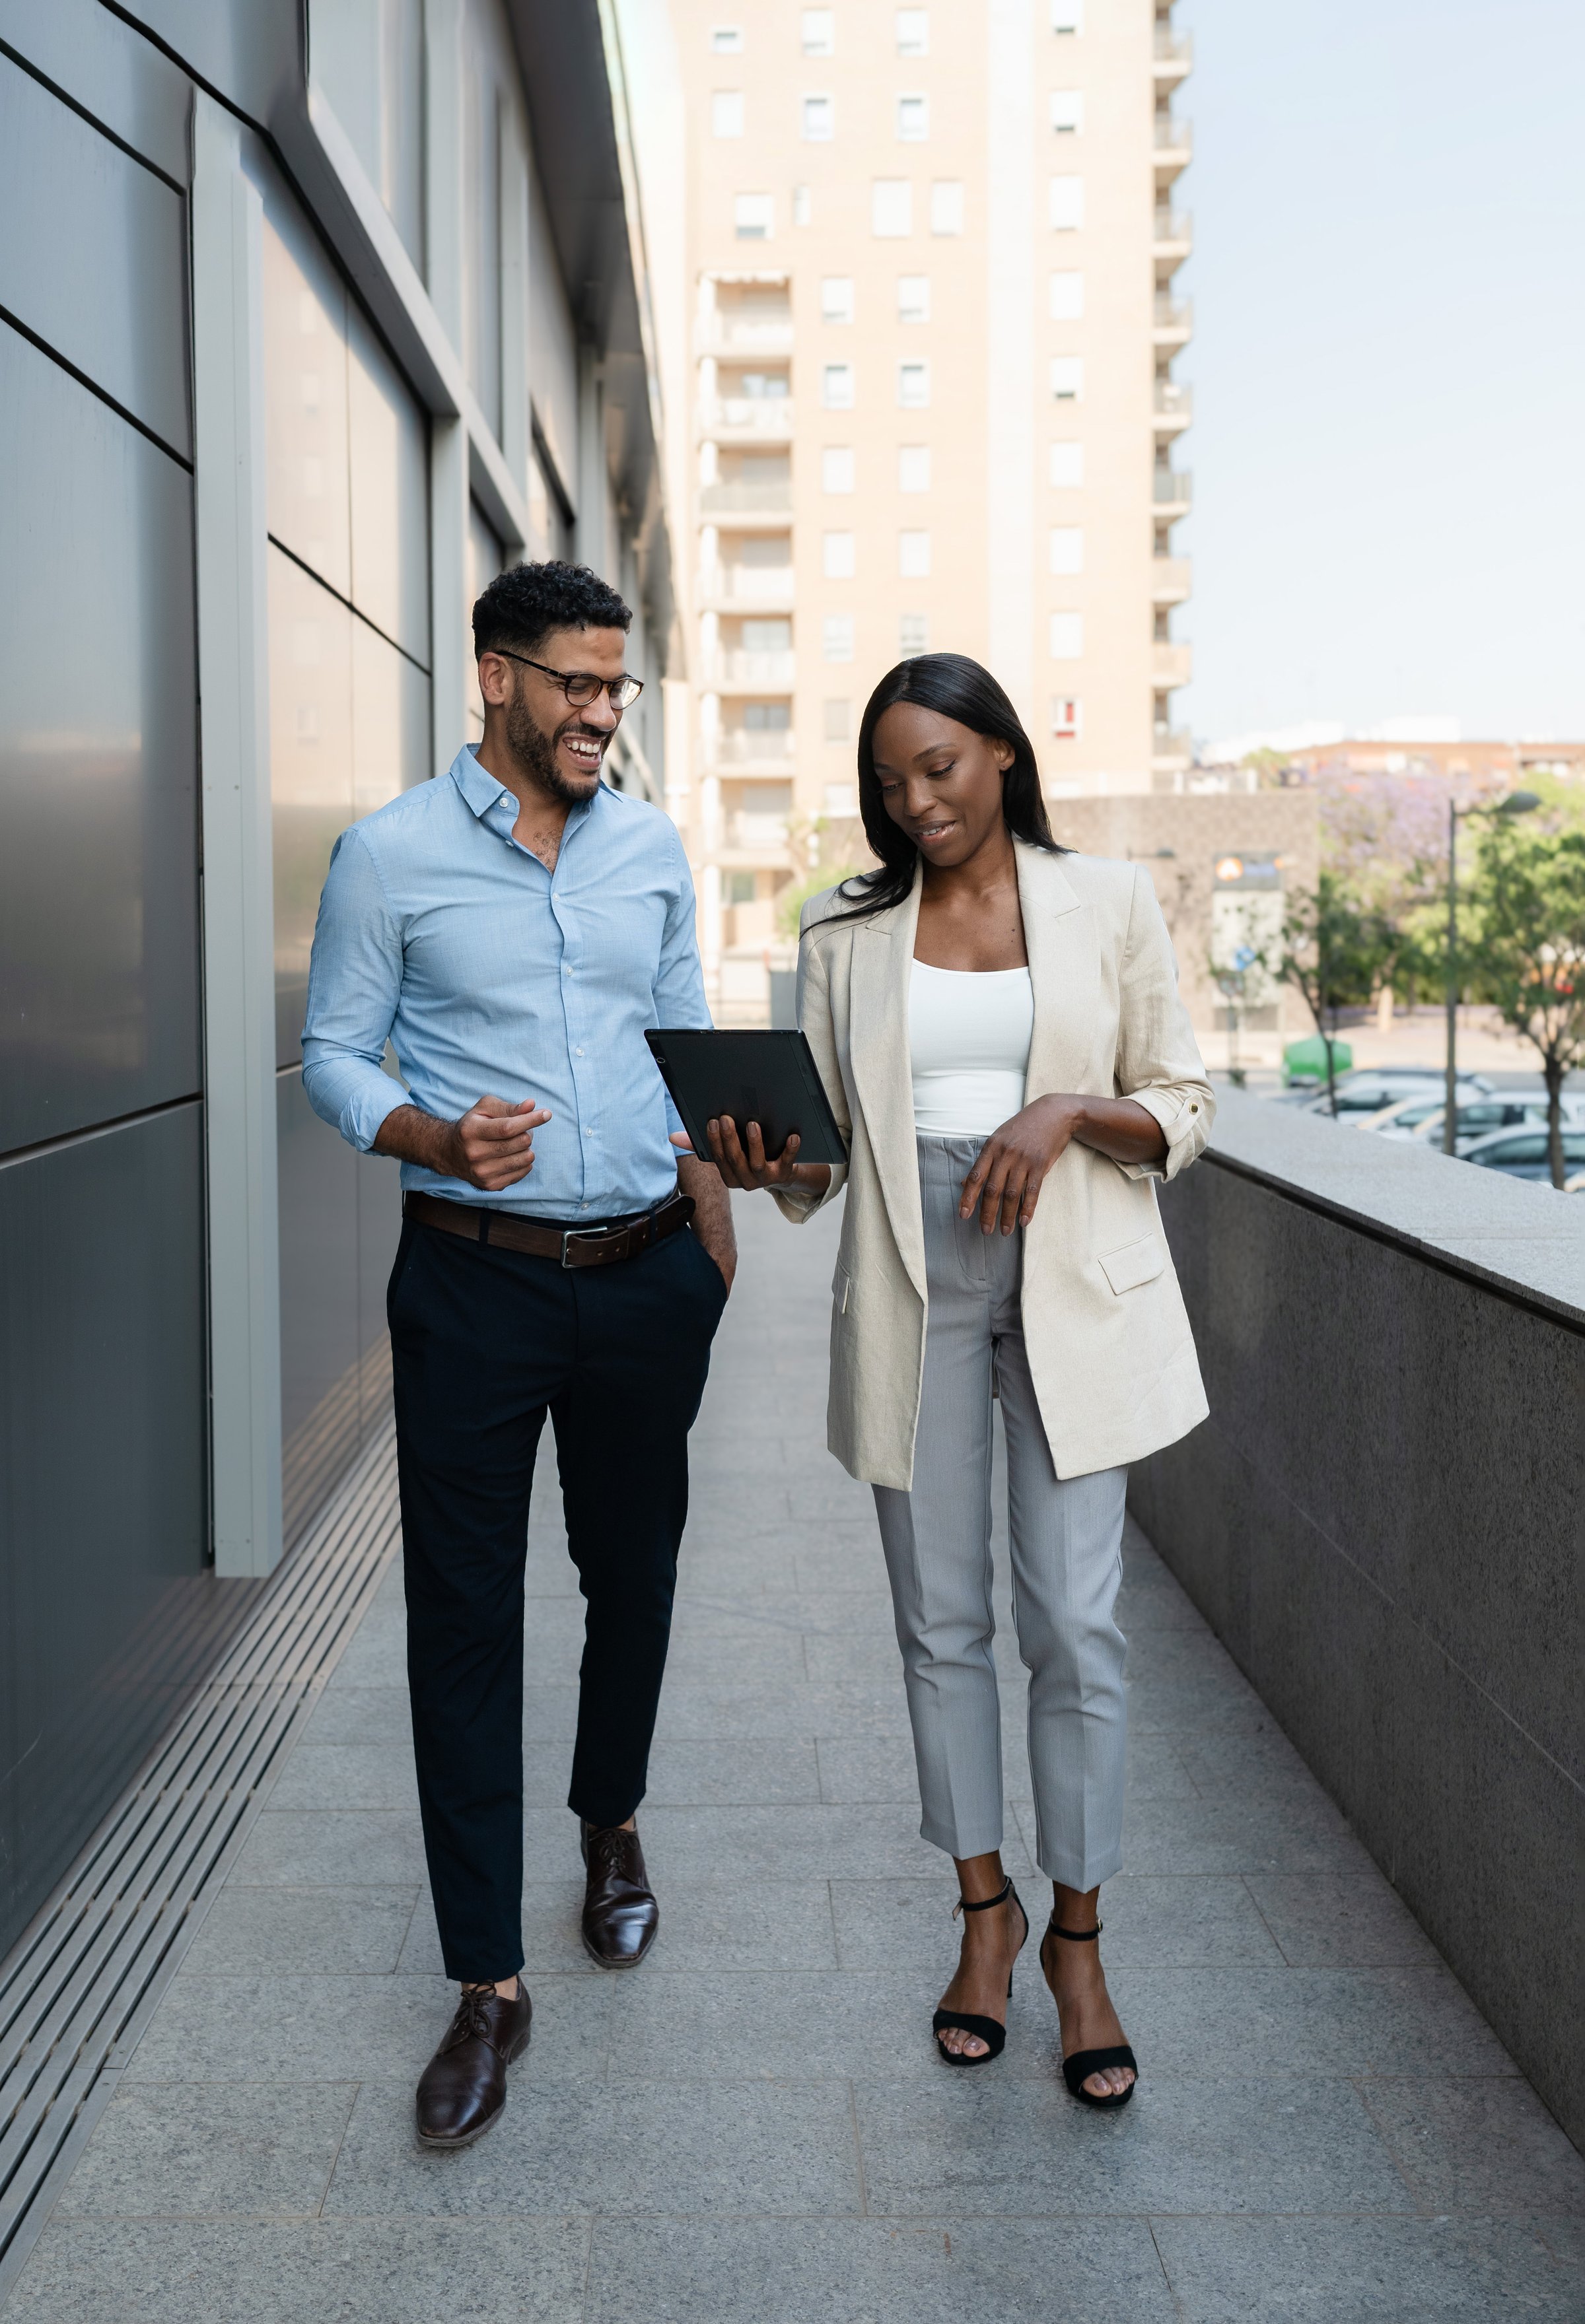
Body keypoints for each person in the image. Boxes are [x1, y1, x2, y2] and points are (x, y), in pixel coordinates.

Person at [708, 654, 1213, 2104]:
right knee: (941, 1625)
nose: (914, 799)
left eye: (937, 766)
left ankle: (1081, 1940)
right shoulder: (844, 936)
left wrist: (1062, 1110)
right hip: (912, 1276)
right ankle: (984, 1917)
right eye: (888, 781)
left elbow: (1183, 1103)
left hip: (1073, 1276)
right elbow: (816, 1167)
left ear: (1000, 753)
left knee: (1076, 1621)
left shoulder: (1107, 900)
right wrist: (767, 1162)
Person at [302, 561, 734, 2150]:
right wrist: (426, 1128)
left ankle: (608, 1821)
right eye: (575, 684)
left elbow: (681, 1034)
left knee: (635, 1572)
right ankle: (487, 1983)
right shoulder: (391, 854)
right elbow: (334, 1057)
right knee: (465, 1621)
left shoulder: (648, 845)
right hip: (472, 1284)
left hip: (642, 1275)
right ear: (495, 678)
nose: (601, 714)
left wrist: (719, 1178)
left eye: (618, 688)